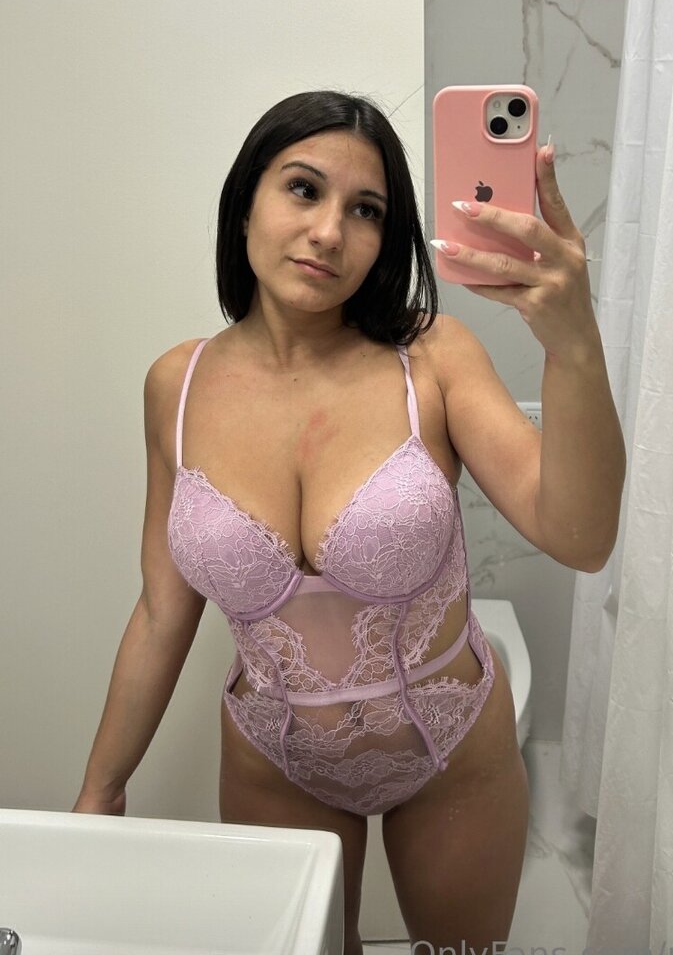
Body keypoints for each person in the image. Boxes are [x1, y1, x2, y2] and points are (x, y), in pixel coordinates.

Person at [73, 90, 625, 955]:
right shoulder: (174, 385)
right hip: (272, 759)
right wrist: (101, 791)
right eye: (303, 189)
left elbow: (581, 537)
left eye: (365, 210)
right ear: (245, 201)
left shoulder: (431, 358)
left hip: (450, 748)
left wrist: (574, 344)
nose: (330, 232)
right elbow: (160, 611)